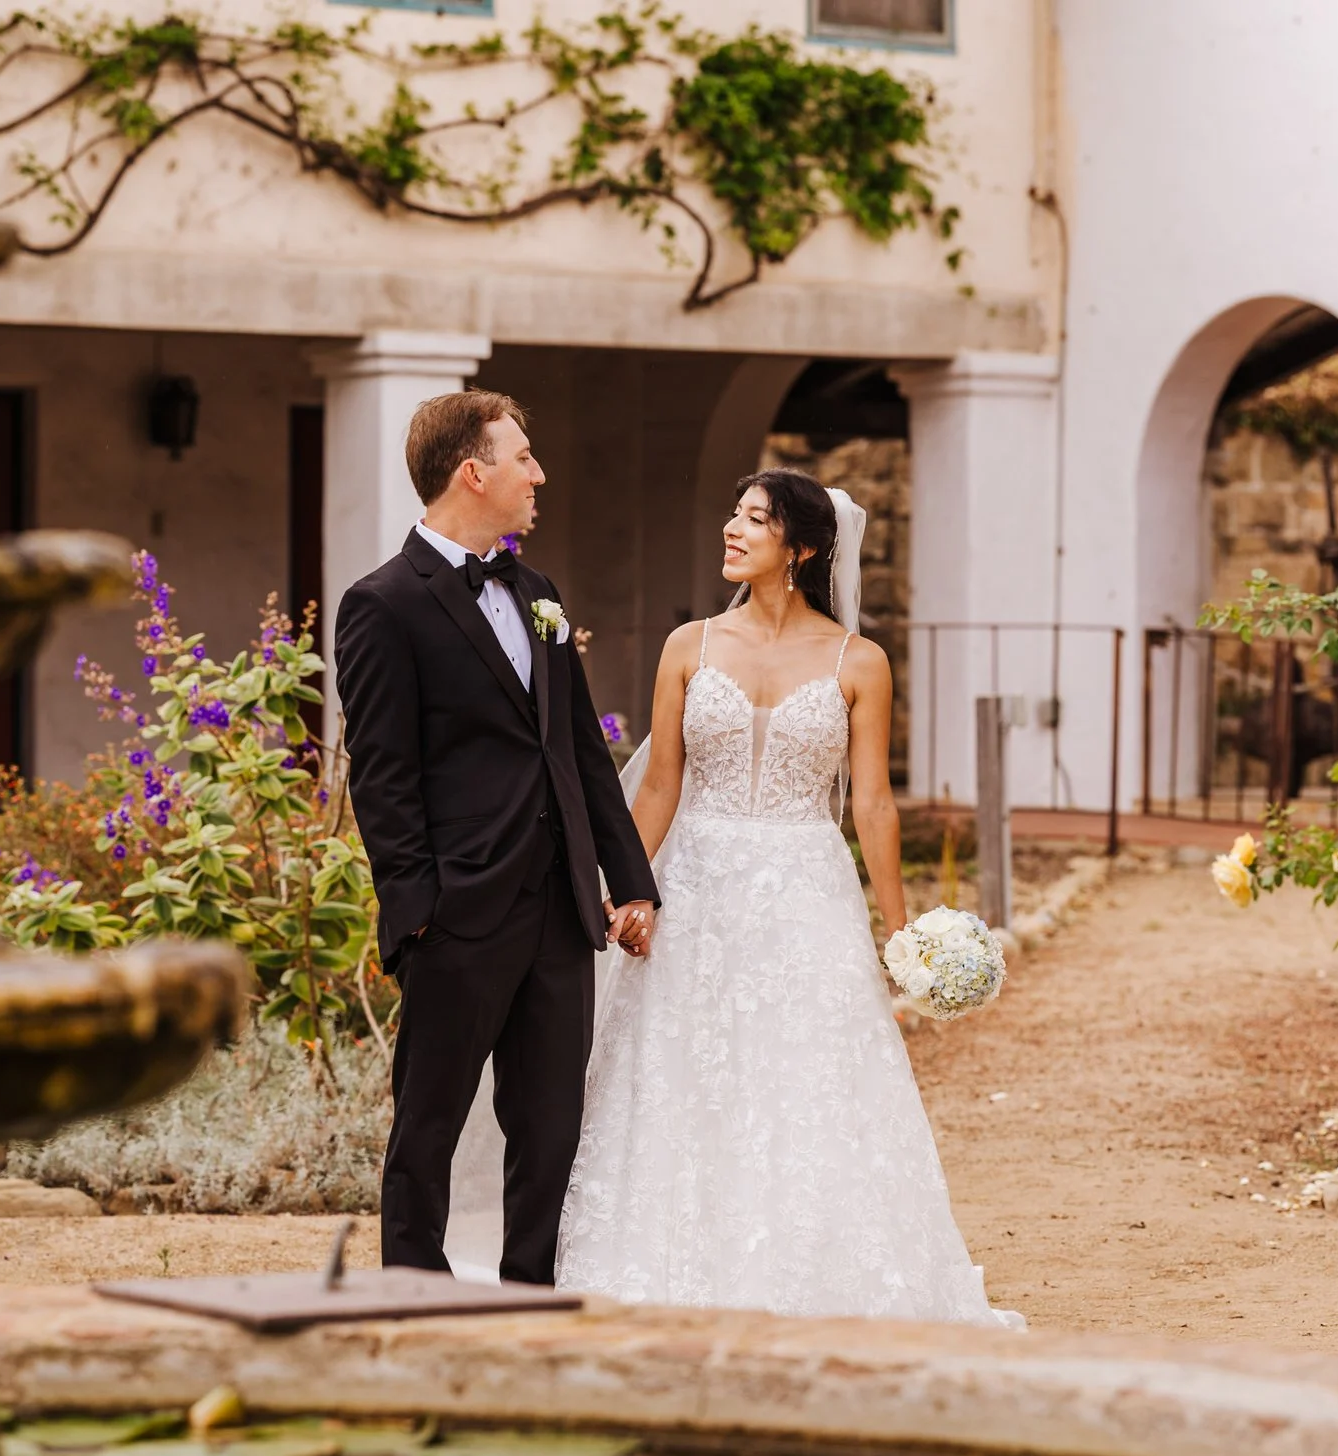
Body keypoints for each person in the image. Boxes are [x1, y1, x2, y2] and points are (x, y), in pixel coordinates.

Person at [553, 469, 1024, 1327]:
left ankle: (806, 1268)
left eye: (755, 520)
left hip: (807, 891)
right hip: (695, 885)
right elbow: (659, 786)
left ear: (801, 549)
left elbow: (874, 803)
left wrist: (900, 933)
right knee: (684, 1072)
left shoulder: (860, 662)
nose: (732, 529)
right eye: (733, 514)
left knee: (806, 1077)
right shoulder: (689, 645)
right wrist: (630, 889)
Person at [332, 390, 659, 1286]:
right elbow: (383, 774)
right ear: (473, 472)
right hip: (458, 915)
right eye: (523, 457)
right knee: (428, 1123)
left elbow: (582, 751)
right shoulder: (382, 604)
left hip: (560, 909)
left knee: (550, 1125)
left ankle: (527, 1300)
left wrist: (631, 879)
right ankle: (408, 1295)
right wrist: (417, 913)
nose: (537, 473)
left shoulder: (538, 594)